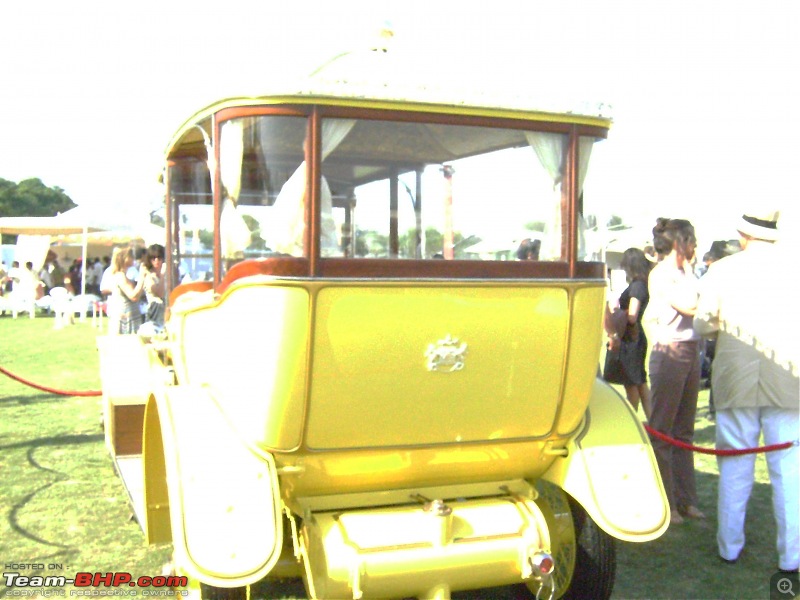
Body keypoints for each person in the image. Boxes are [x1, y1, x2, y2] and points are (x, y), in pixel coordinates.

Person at [694, 209, 799, 571]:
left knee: (735, 468)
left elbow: (704, 323)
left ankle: (729, 547)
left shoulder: (723, 270)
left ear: (743, 234)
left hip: (736, 377)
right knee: (789, 472)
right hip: (788, 378)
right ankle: (791, 557)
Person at [646, 218, 705, 525]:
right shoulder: (662, 274)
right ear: (680, 242)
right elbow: (691, 306)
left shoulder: (687, 272)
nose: (696, 246)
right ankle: (666, 502)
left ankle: (687, 500)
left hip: (691, 351)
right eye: (692, 240)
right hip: (670, 353)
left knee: (684, 432)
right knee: (662, 433)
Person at [606, 248, 653, 419]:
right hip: (634, 336)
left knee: (631, 381)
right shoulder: (640, 284)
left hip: (631, 337)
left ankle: (632, 416)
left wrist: (616, 313)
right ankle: (652, 420)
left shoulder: (637, 286)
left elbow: (632, 316)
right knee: (639, 382)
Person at [111, 246, 145, 334]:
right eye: (131, 256)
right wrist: (142, 277)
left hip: (131, 317)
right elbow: (133, 296)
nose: (133, 259)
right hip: (125, 319)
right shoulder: (120, 276)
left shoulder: (124, 275)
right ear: (124, 259)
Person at [141, 244, 166, 328]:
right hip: (154, 314)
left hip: (166, 313)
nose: (156, 260)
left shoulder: (167, 274)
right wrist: (162, 275)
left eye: (159, 257)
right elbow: (160, 293)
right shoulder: (148, 275)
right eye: (153, 258)